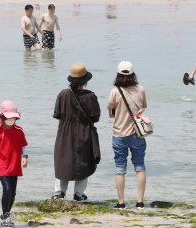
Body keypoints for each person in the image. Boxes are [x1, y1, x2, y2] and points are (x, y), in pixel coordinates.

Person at [52, 63, 101, 201]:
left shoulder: (63, 94)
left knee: (63, 161)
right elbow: (95, 117)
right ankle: (79, 194)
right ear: (85, 81)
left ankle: (59, 193)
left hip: (65, 132)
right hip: (84, 132)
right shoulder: (90, 96)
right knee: (84, 162)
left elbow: (57, 114)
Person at [107, 61, 148, 210]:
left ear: (118, 74)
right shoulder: (140, 89)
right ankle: (140, 202)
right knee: (140, 166)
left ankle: (121, 202)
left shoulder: (115, 91)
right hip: (138, 133)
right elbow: (143, 106)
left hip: (119, 133)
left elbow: (111, 111)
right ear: (132, 74)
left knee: (120, 167)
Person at [0, 101, 28, 228]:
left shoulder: (19, 131)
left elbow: (24, 146)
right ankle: (5, 217)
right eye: (9, 117)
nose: (12, 120)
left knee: (13, 193)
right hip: (2, 165)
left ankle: (7, 214)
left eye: (14, 117)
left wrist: (25, 157)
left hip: (14, 164)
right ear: (3, 116)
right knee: (7, 189)